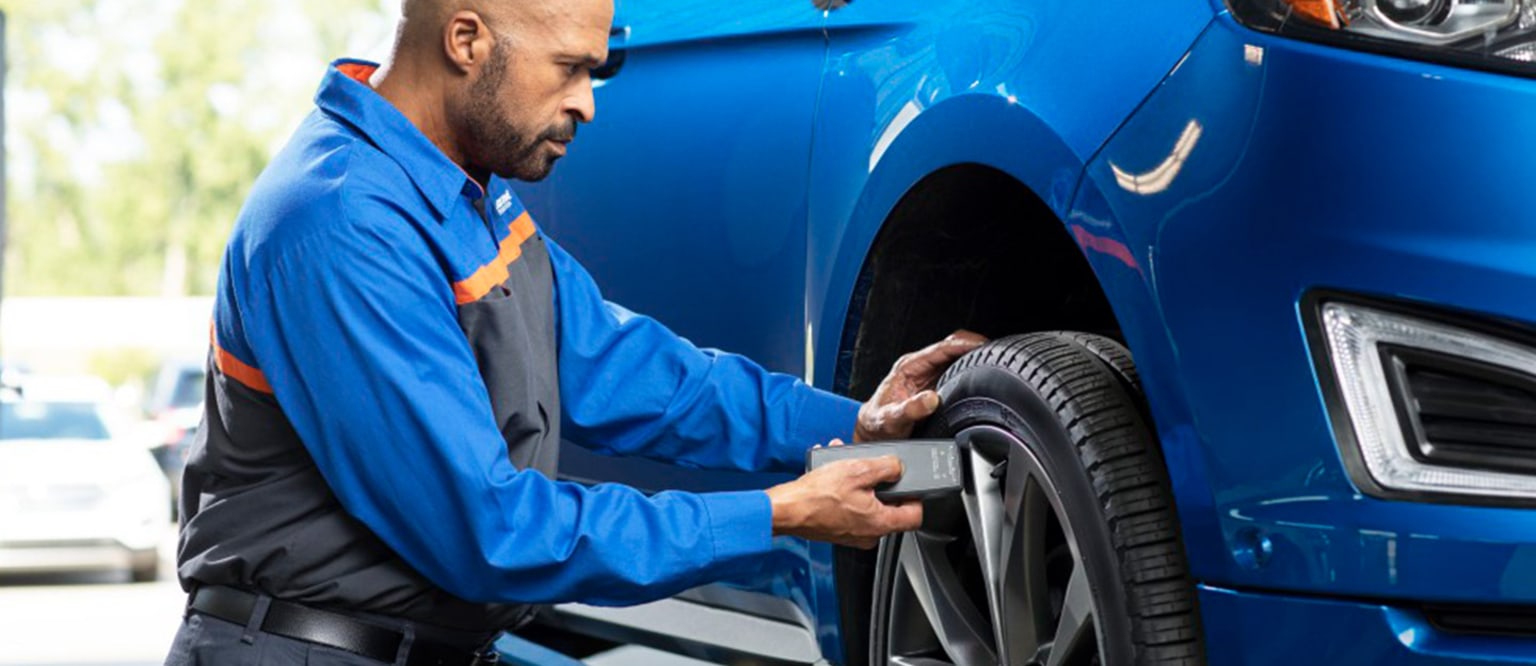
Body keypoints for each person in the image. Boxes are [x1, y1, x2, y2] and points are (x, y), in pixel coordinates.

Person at [165, 0, 986, 664]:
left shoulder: (464, 197)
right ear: (465, 40)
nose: (588, 103)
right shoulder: (341, 221)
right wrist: (775, 514)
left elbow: (635, 375)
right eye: (571, 69)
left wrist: (849, 424)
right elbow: (492, 531)